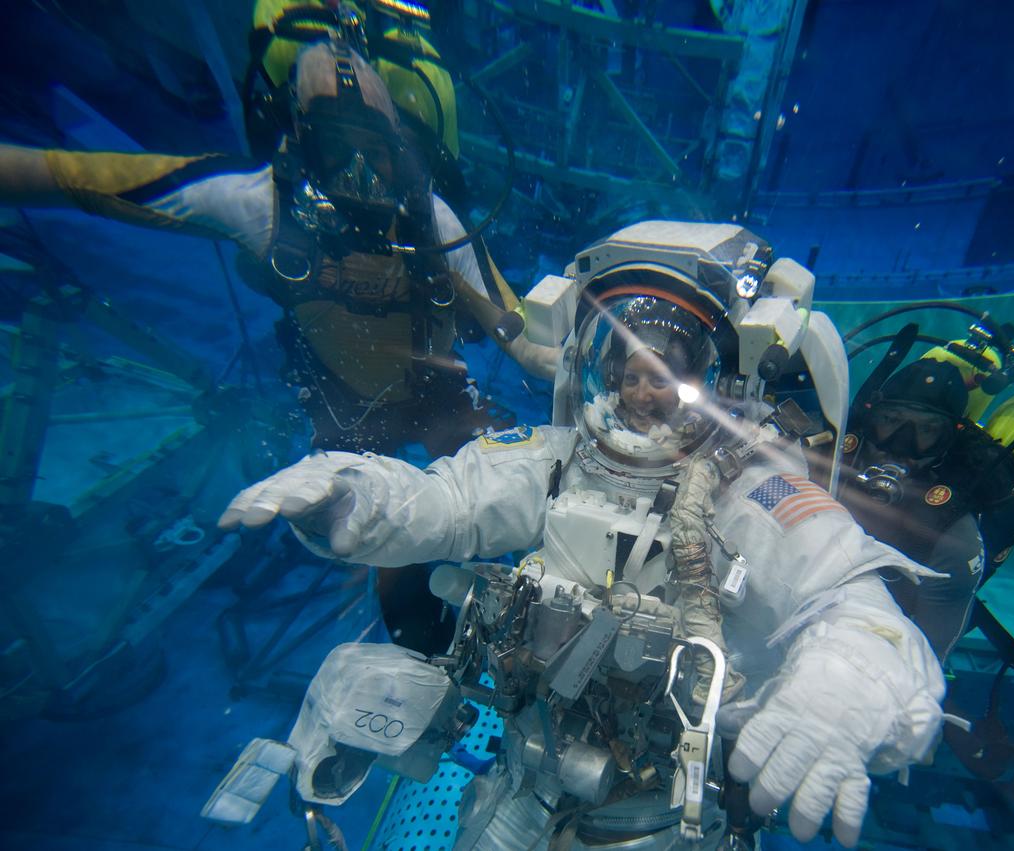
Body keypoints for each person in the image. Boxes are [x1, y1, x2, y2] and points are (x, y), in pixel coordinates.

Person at [214, 221, 947, 850]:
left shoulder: (755, 491)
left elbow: (855, 603)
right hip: (520, 777)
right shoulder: (557, 457)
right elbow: (446, 501)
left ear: (715, 382)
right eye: (628, 371)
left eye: (668, 374)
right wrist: (348, 496)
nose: (643, 391)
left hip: (659, 812)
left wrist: (846, 688)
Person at [0, 38, 558, 655]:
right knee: (380, 541)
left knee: (502, 503)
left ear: (400, 150)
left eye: (376, 152)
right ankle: (425, 653)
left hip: (436, 390)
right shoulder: (261, 203)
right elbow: (81, 179)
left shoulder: (431, 219)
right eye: (337, 150)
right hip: (344, 404)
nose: (360, 175)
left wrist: (581, 373)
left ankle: (513, 627)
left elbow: (519, 335)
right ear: (298, 142)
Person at [838, 357, 1014, 662]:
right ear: (871, 417)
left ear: (949, 439)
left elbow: (927, 658)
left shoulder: (955, 536)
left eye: (927, 430)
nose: (902, 442)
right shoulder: (833, 449)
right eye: (891, 420)